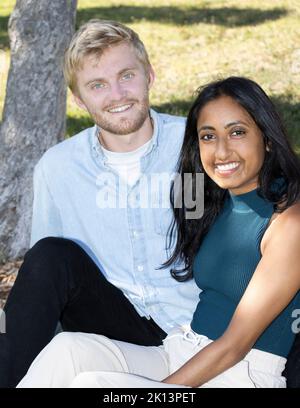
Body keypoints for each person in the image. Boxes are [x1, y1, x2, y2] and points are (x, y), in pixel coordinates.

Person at [18, 76, 300, 388]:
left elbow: (234, 345)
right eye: (208, 136)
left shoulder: (289, 221)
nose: (222, 152)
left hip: (238, 374)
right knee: (67, 351)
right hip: (181, 351)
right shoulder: (218, 203)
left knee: (93, 384)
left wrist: (159, 392)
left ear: (267, 138)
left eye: (237, 133)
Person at [0, 19, 200, 388]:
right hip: (112, 327)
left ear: (149, 75)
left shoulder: (197, 145)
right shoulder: (58, 168)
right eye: (98, 85)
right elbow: (44, 287)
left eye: (127, 75)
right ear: (79, 99)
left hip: (197, 326)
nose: (118, 94)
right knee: (49, 255)